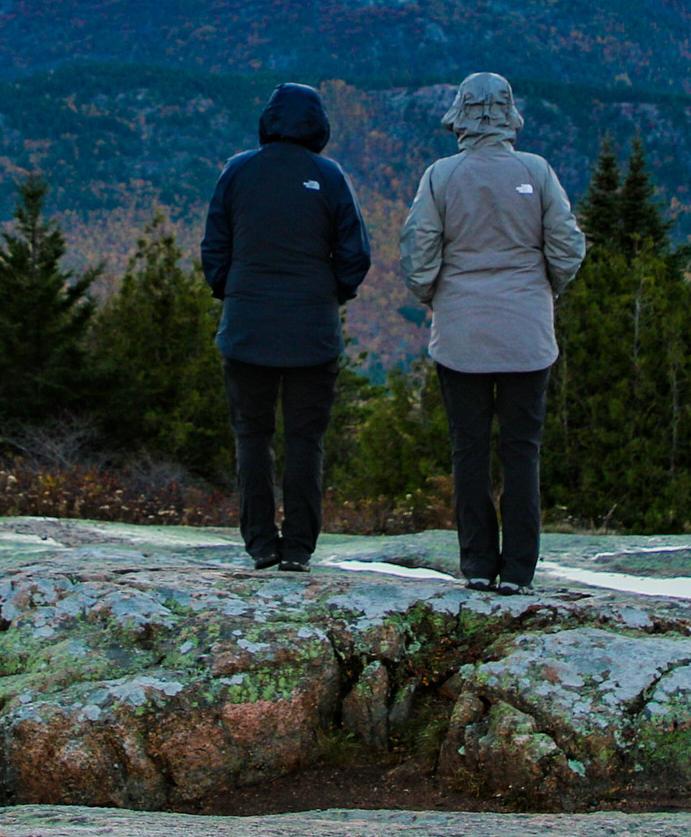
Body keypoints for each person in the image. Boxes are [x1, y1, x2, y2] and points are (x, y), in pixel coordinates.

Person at [401, 72, 587, 595]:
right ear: (510, 115)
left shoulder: (441, 175)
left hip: (461, 335)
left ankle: (478, 564)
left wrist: (434, 297)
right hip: (528, 334)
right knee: (522, 451)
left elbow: (419, 252)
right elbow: (568, 246)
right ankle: (520, 571)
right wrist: (542, 289)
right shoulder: (537, 171)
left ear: (459, 114)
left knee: (469, 449)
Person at [200, 83, 372, 571]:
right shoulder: (329, 175)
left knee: (251, 437)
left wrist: (232, 291)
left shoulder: (238, 171)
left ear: (268, 120)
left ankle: (259, 543)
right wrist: (326, 295)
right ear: (319, 125)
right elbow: (356, 254)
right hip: (311, 333)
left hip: (246, 328)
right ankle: (298, 547)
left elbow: (214, 246)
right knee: (305, 440)